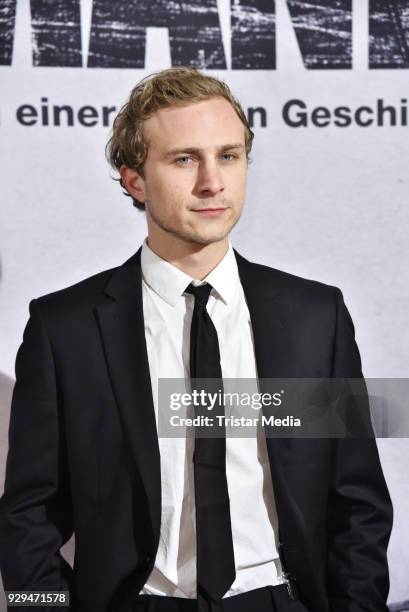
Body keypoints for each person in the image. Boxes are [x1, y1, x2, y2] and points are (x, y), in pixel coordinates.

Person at [0, 67, 392, 612]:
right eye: (184, 159)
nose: (213, 182)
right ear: (133, 178)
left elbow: (356, 501)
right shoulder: (65, 329)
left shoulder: (313, 318)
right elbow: (29, 517)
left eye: (228, 156)